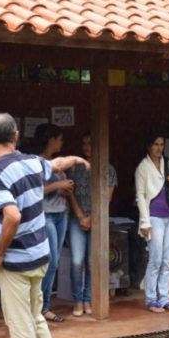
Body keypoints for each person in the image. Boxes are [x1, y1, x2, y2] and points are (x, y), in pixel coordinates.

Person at [0, 113, 89, 338]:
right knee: (34, 313)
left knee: (20, 322)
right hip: (40, 255)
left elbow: (12, 216)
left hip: (16, 261)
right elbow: (58, 163)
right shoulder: (31, 162)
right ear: (16, 135)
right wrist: (78, 159)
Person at [66, 131, 118, 316]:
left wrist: (92, 218)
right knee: (77, 261)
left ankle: (88, 299)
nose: (86, 147)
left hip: (97, 220)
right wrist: (81, 216)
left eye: (90, 143)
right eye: (84, 143)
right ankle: (77, 300)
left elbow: (107, 199)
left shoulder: (108, 170)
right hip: (77, 219)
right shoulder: (74, 168)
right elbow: (69, 193)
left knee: (91, 261)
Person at [135, 132, 169, 313]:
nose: (159, 148)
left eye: (161, 144)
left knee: (167, 260)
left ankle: (165, 298)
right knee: (155, 259)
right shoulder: (142, 167)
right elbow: (140, 195)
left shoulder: (167, 163)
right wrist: (144, 222)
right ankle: (151, 299)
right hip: (154, 218)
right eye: (155, 144)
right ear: (148, 146)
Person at [34, 123, 71, 323]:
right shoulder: (37, 163)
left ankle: (44, 306)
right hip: (46, 215)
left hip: (61, 214)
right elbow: (35, 192)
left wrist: (64, 189)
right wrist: (58, 185)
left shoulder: (58, 163)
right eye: (60, 139)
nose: (62, 143)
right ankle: (40, 306)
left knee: (53, 263)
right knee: (51, 261)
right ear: (51, 140)